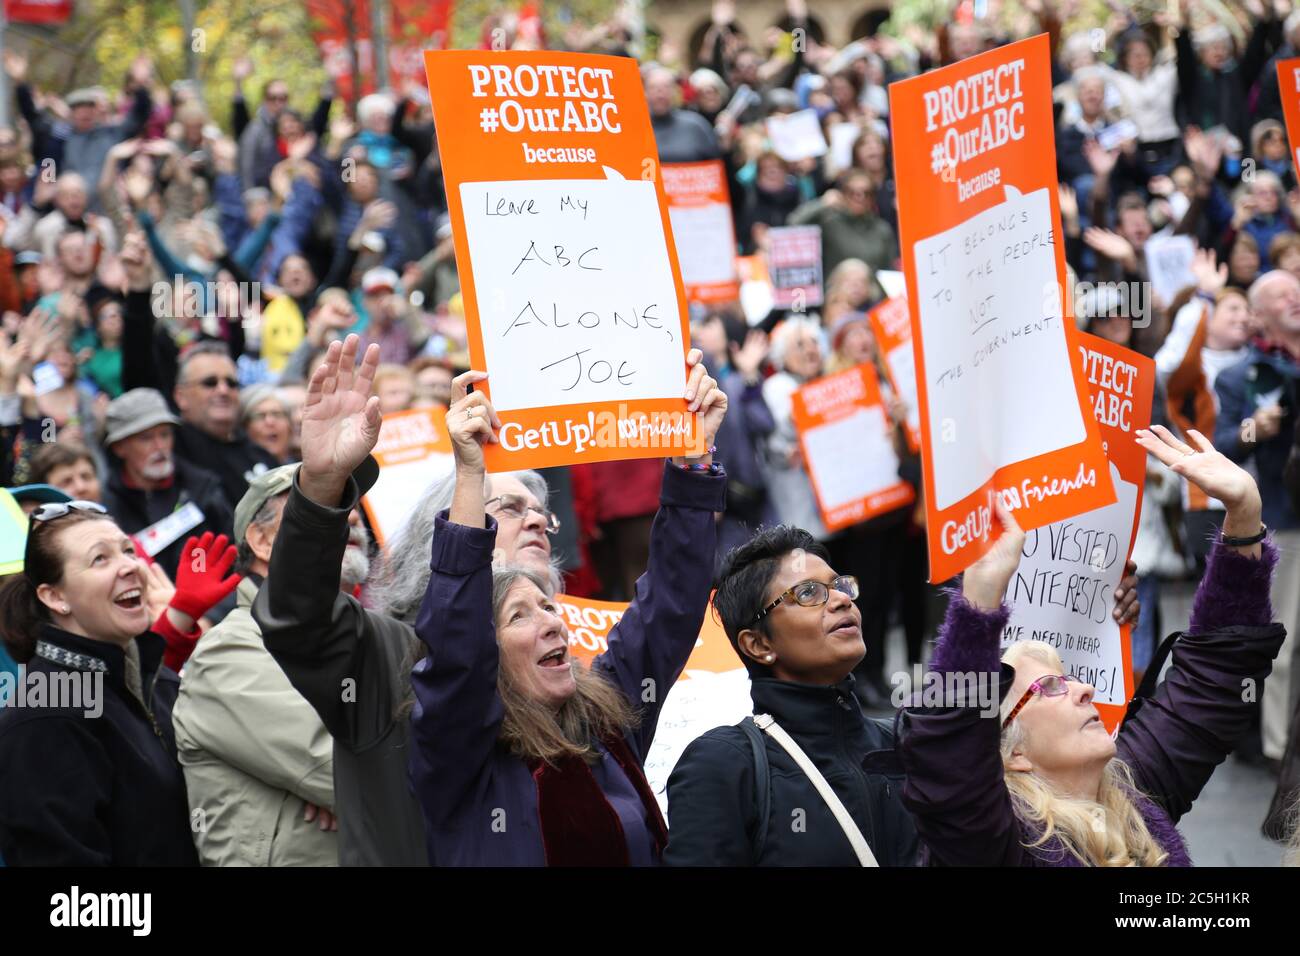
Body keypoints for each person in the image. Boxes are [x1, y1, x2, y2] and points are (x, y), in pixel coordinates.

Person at [897, 426, 1285, 866]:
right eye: (1049, 687)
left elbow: (1213, 680)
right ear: (1012, 752)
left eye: (1067, 679)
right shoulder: (999, 844)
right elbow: (949, 758)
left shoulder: (1132, 791)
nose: (1083, 688)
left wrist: (1244, 514)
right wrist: (979, 602)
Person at [252, 335, 572, 865]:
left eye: (542, 512)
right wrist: (324, 484)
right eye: (510, 509)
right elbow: (298, 615)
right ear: (441, 537)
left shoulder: (565, 652)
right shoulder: (387, 656)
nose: (537, 518)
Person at [406, 357, 728, 865]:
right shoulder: (459, 747)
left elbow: (669, 603)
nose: (552, 621)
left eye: (549, 607)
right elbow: (457, 643)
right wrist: (470, 472)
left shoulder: (607, 718)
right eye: (519, 616)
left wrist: (693, 461)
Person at [0, 507, 238, 864]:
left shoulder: (149, 679)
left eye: (128, 551)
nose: (130, 566)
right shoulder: (46, 717)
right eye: (100, 559)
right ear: (55, 597)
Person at [173, 464, 371, 866]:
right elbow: (343, 770)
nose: (350, 515)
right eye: (323, 505)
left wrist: (354, 795)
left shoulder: (377, 636)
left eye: (350, 505)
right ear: (262, 541)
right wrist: (354, 791)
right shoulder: (228, 651)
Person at [99, 388, 233, 580]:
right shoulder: (106, 507)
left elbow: (236, 561)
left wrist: (212, 610)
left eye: (165, 434)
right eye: (146, 438)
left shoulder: (204, 489)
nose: (160, 446)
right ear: (119, 448)